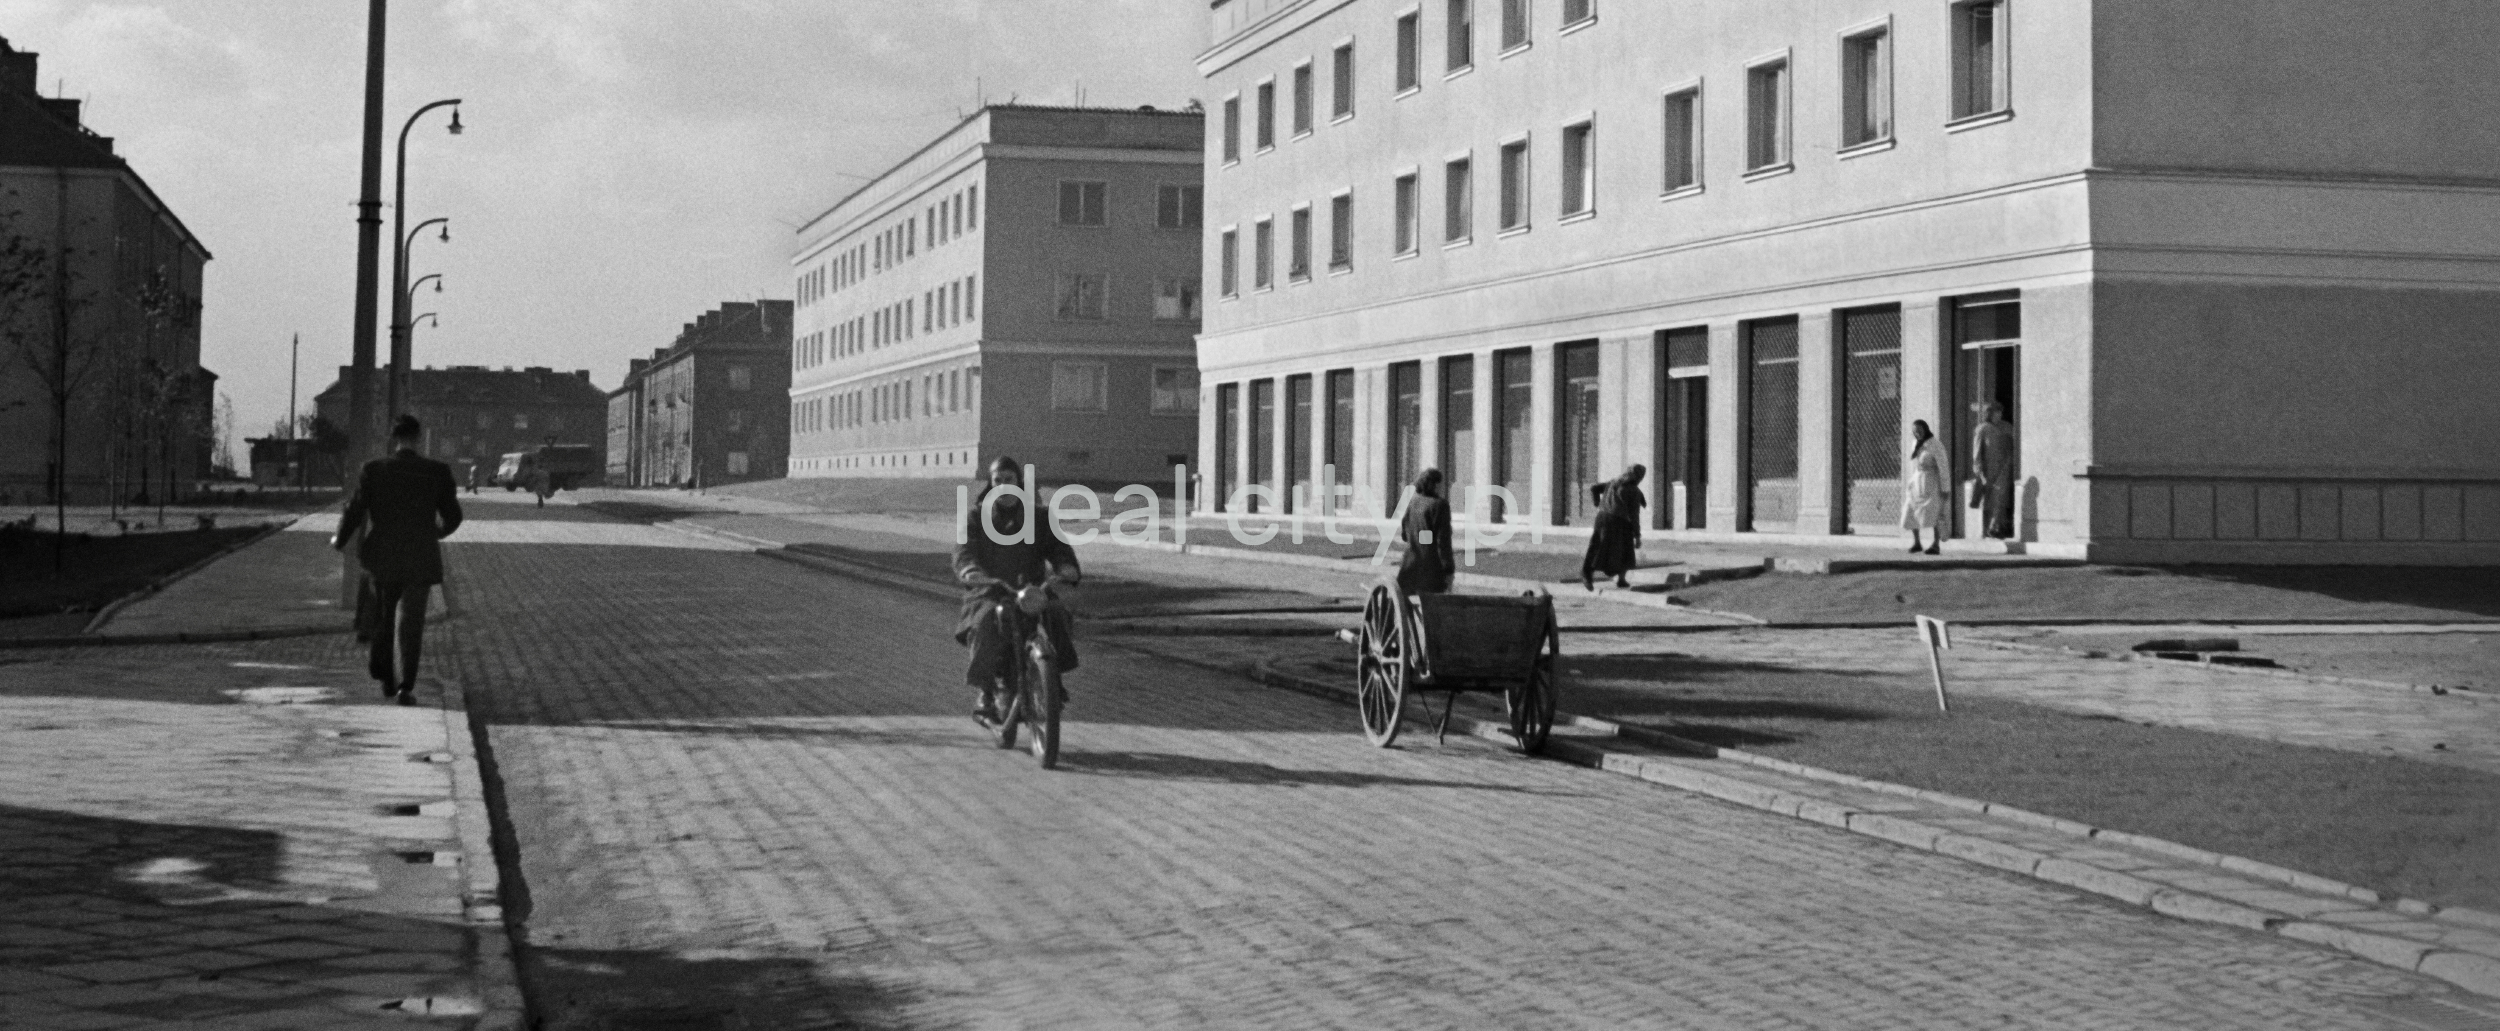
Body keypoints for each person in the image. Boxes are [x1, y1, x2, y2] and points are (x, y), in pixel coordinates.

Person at [333, 415, 463, 704]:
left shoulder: (374, 470)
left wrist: (340, 540)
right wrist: (437, 532)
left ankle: (385, 675)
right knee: (412, 621)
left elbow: (355, 510)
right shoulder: (437, 472)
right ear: (419, 438)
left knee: (384, 613)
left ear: (393, 439)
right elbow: (454, 516)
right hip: (420, 554)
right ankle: (406, 686)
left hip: (383, 554)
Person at [953, 456, 1080, 723]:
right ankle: (986, 691)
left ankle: (1051, 678)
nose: (1003, 486)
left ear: (1018, 482)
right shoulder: (978, 517)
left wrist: (1065, 566)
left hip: (1031, 590)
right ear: (991, 484)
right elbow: (964, 550)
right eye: (997, 480)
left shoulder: (1039, 517)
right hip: (991, 590)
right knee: (987, 620)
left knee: (1055, 612)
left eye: (1008, 480)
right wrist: (970, 570)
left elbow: (1059, 548)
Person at [1581, 465, 1648, 590]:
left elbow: (1594, 488)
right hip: (1618, 521)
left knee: (1596, 546)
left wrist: (1597, 503)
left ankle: (1587, 574)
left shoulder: (1613, 483)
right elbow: (1634, 516)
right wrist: (1637, 536)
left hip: (1601, 518)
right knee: (1625, 549)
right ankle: (1621, 579)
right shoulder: (1634, 491)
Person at [1396, 468, 1455, 598]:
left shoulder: (1413, 502)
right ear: (1435, 485)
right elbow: (1443, 541)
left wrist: (1422, 536)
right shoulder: (1440, 505)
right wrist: (1449, 569)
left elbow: (1405, 534)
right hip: (1431, 570)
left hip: (1409, 567)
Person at [1900, 420, 1947, 555]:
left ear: (1925, 429)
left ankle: (1936, 544)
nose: (1917, 433)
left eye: (1920, 430)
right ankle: (1917, 542)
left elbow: (1943, 467)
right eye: (1915, 431)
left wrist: (1945, 488)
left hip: (1931, 483)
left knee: (1934, 512)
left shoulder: (1935, 445)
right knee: (1911, 511)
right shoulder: (1916, 444)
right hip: (1917, 483)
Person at [1972, 402, 2016, 539]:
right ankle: (1988, 529)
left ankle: (1996, 527)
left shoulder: (2006, 427)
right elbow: (1977, 451)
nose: (1999, 415)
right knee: (1989, 501)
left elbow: (2014, 441)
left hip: (2004, 468)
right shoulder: (1983, 429)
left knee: (2001, 498)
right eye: (1996, 412)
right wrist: (1979, 471)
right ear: (1989, 414)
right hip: (1988, 470)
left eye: (2000, 412)